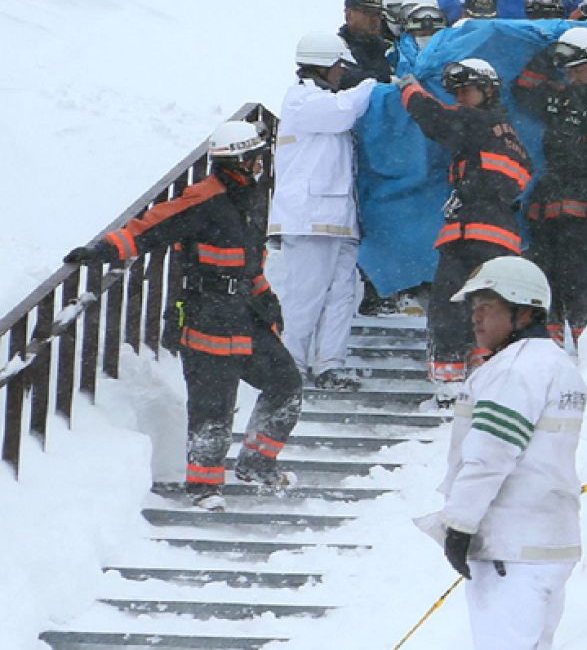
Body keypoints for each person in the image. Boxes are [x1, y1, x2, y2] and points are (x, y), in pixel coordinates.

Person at [64, 120, 302, 510]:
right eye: (255, 158)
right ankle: (204, 488)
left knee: (286, 384)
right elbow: (149, 227)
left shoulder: (253, 198)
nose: (261, 165)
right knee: (213, 406)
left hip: (245, 314)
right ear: (238, 161)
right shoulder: (203, 197)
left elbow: (247, 262)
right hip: (207, 316)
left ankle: (258, 463)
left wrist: (266, 298)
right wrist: (102, 251)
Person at [435, 255, 587, 650]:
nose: (475, 318)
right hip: (547, 545)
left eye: (486, 307)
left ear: (522, 311)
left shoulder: (512, 371)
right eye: (473, 309)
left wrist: (460, 525)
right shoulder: (558, 364)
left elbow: (491, 454)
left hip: (511, 548)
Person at [397, 59, 531, 402]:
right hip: (495, 229)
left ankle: (449, 383)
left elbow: (436, 120)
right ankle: (482, 373)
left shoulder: (477, 121)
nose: (459, 98)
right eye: (454, 92)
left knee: (449, 302)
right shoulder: (505, 130)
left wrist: (409, 90)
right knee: (484, 307)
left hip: (476, 231)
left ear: (487, 91)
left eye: (465, 91)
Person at [267, 32, 378, 392]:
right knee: (306, 295)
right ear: (324, 65)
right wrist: (372, 85)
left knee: (342, 293)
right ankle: (291, 366)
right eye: (338, 66)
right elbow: (343, 113)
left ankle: (330, 363)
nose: (342, 73)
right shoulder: (303, 101)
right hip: (310, 216)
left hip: (338, 217)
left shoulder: (321, 101)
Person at [510, 27, 587, 347]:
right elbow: (522, 88)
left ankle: (586, 346)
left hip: (586, 199)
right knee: (543, 274)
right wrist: (550, 51)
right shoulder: (558, 98)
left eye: (578, 69)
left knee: (575, 276)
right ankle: (546, 346)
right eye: (568, 70)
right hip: (549, 198)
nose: (573, 76)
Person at [339, 0, 394, 83]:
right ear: (349, 15)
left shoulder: (387, 49)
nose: (374, 19)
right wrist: (388, 80)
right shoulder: (339, 49)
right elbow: (345, 80)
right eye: (367, 13)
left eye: (378, 14)